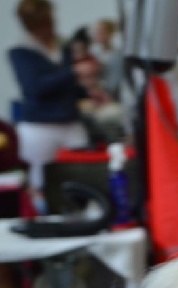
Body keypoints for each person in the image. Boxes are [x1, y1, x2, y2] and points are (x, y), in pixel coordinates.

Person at [8, 0, 98, 214]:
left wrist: (88, 92)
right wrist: (74, 72)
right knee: (42, 184)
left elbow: (66, 86)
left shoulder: (63, 46)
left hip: (70, 120)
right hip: (39, 127)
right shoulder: (20, 52)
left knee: (84, 175)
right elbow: (35, 88)